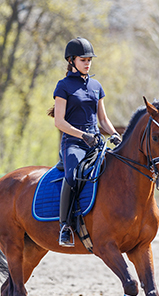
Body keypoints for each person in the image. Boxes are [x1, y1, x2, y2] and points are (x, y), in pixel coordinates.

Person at [51, 37, 121, 247]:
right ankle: (65, 226)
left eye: (90, 59)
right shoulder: (63, 86)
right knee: (72, 176)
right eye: (83, 60)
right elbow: (59, 122)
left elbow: (103, 119)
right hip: (73, 143)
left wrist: (114, 134)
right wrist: (82, 136)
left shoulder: (96, 85)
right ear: (71, 60)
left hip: (95, 142)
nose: (88, 63)